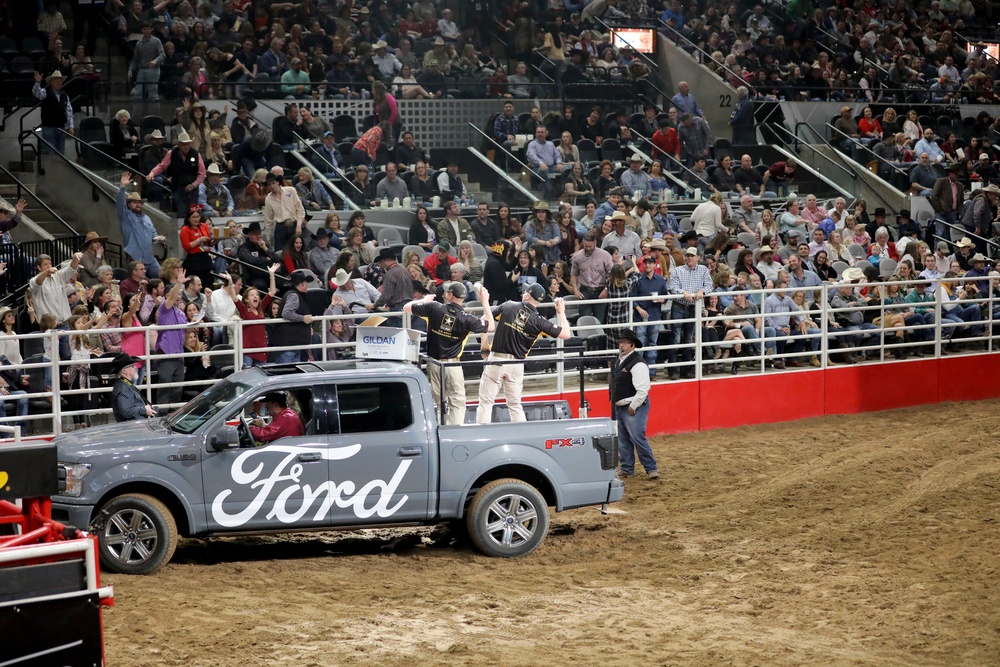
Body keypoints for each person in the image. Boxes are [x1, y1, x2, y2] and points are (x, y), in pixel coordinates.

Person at [476, 283, 570, 423]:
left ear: (527, 295)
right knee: (515, 405)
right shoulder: (539, 321)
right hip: (517, 364)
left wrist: (484, 345)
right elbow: (566, 334)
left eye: (525, 291)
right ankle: (521, 435)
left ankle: (481, 436)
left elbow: (484, 321)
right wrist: (561, 313)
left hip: (497, 360)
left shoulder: (508, 305)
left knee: (486, 403)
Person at [405, 282, 494, 425]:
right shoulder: (467, 318)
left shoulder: (434, 307)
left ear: (450, 295)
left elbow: (406, 307)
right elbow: (490, 326)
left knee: (440, 403)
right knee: (457, 403)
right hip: (453, 365)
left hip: (434, 363)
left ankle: (442, 431)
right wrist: (485, 302)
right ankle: (456, 433)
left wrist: (424, 300)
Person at [612, 328, 657, 480]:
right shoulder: (621, 360)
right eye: (620, 343)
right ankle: (627, 468)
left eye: (624, 343)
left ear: (632, 345)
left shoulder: (637, 364)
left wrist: (633, 405)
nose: (621, 346)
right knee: (624, 439)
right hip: (622, 405)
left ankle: (650, 467)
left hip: (632, 406)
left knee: (636, 437)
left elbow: (643, 389)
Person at [667, 247, 713, 379]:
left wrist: (702, 291)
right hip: (679, 305)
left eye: (692, 256)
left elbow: (710, 285)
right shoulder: (678, 270)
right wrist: (683, 292)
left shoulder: (703, 270)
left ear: (698, 257)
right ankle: (673, 371)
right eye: (687, 255)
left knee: (688, 339)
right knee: (675, 338)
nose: (689, 258)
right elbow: (672, 287)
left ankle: (685, 370)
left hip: (693, 307)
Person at [116, 172, 165, 278]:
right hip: (135, 258)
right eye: (135, 202)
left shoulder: (147, 218)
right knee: (141, 284)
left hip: (149, 258)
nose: (138, 204)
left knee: (162, 277)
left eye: (139, 202)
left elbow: (153, 235)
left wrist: (157, 238)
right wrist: (122, 187)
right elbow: (119, 203)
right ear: (129, 204)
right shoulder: (125, 216)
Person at [146, 131, 207, 216]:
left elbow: (202, 174)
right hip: (178, 187)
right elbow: (162, 166)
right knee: (181, 212)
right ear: (179, 145)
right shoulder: (171, 153)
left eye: (187, 144)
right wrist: (152, 174)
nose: (186, 146)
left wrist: (194, 185)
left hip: (192, 188)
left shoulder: (196, 154)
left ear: (190, 144)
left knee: (194, 213)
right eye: (183, 144)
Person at [273, 270, 316, 364]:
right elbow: (286, 313)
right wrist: (303, 318)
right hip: (290, 343)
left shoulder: (295, 294)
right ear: (303, 284)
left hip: (293, 342)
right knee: (287, 370)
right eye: (305, 283)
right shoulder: (294, 295)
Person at [32, 69, 73, 154]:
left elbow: (69, 111)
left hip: (61, 128)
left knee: (61, 154)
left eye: (60, 81)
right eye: (56, 81)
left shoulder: (64, 95)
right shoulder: (45, 92)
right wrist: (37, 83)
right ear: (51, 82)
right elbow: (36, 93)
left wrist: (71, 126)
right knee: (51, 155)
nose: (59, 82)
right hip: (49, 128)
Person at [110, 352, 156, 421]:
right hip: (133, 427)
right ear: (124, 370)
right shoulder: (124, 388)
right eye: (132, 366)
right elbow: (126, 411)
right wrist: (144, 410)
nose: (135, 367)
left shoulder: (124, 384)